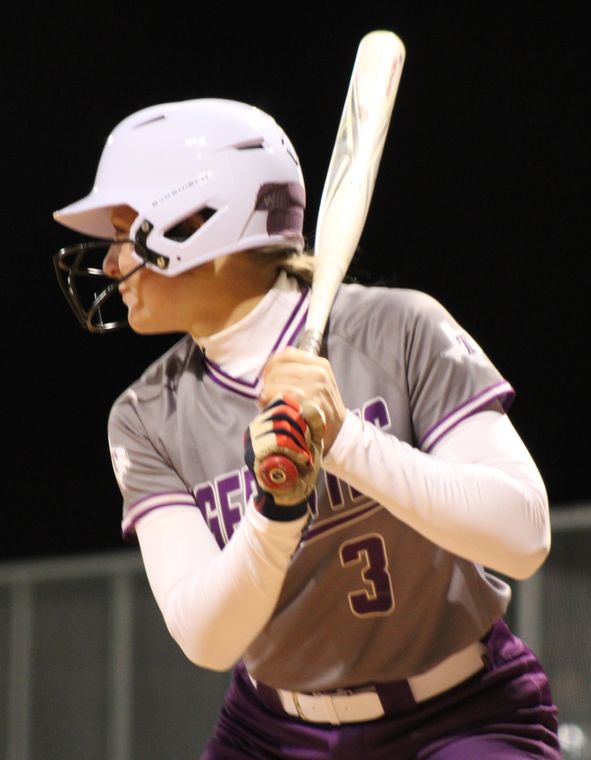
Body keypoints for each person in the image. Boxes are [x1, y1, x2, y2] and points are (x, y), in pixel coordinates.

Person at [51, 98, 560, 758]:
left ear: (199, 223)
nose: (112, 264)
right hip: (271, 732)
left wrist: (346, 439)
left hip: (458, 714)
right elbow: (209, 639)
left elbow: (522, 535)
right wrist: (276, 508)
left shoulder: (396, 327)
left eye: (125, 232)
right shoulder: (146, 414)